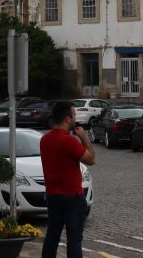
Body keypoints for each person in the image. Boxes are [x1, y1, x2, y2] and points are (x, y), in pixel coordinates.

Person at [40, 101, 95, 258]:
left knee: (52, 237)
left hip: (53, 196)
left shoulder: (45, 140)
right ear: (67, 119)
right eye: (74, 115)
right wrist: (83, 137)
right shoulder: (69, 141)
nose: (75, 118)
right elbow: (91, 159)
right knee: (74, 240)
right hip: (72, 197)